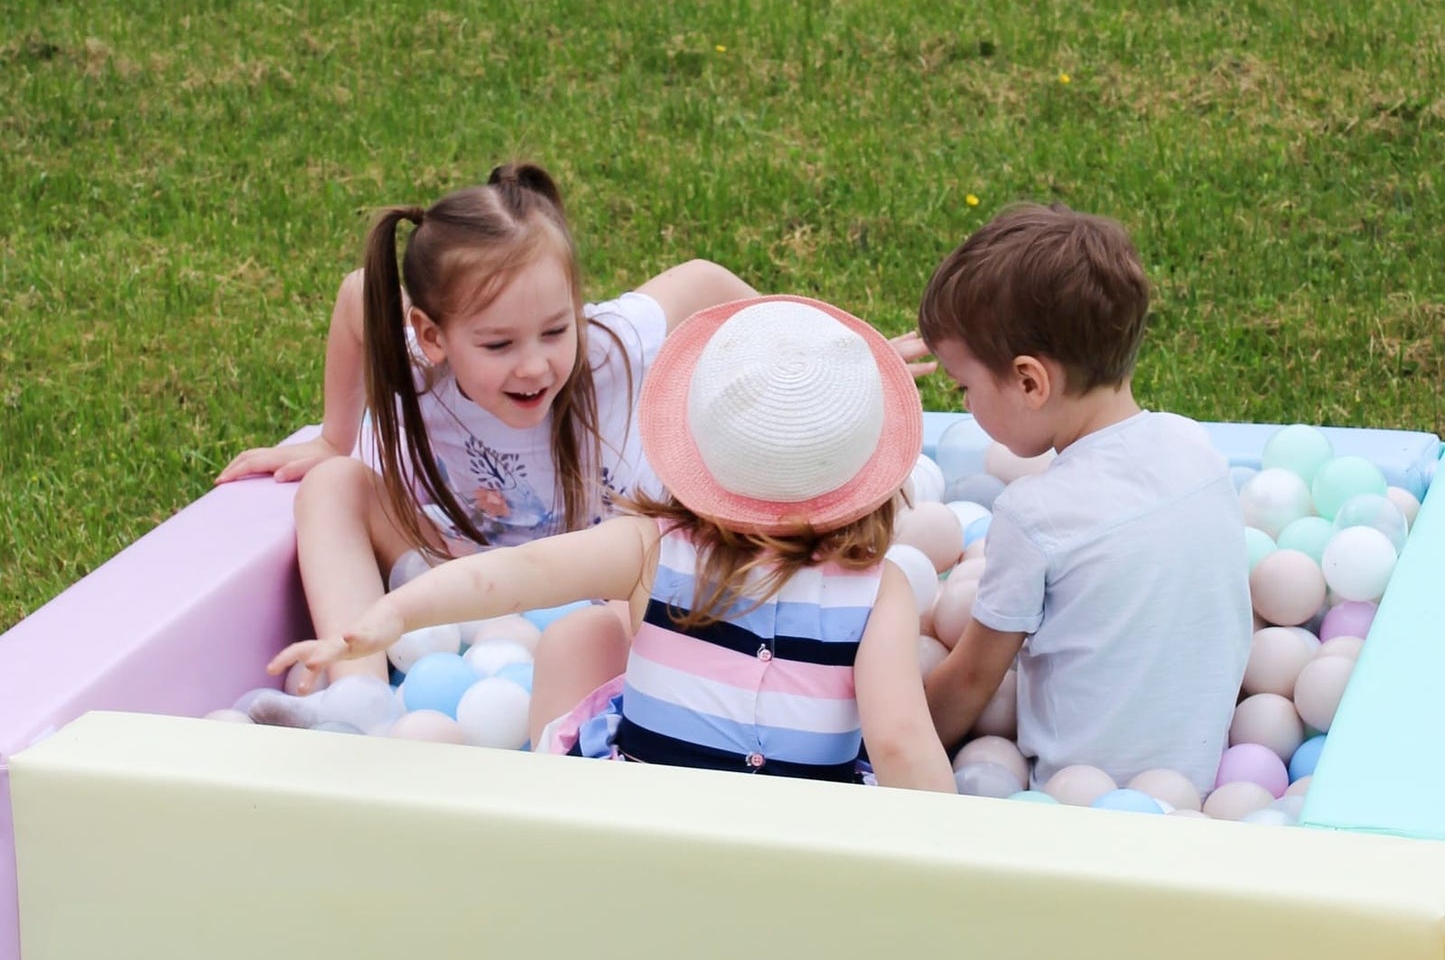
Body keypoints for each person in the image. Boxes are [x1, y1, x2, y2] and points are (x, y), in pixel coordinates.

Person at [269, 296, 957, 794]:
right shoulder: (879, 590)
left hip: (646, 825)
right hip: (804, 838)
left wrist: (391, 616)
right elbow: (897, 739)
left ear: (695, 447)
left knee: (579, 660)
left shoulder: (650, 547)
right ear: (869, 471)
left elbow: (516, 574)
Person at [220, 163, 756, 732]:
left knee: (667, 564)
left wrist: (819, 370)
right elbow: (359, 296)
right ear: (432, 336)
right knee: (334, 485)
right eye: (498, 343)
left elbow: (704, 282)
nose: (534, 364)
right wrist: (335, 437)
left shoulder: (609, 346)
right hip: (453, 581)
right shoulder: (421, 363)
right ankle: (359, 696)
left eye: (555, 330)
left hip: (603, 597)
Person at [917, 203, 1251, 794]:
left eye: (963, 387)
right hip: (1202, 780)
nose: (963, 404)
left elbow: (971, 681)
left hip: (1077, 803)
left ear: (1029, 382)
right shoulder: (1194, 446)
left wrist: (876, 742)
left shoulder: (1035, 514)